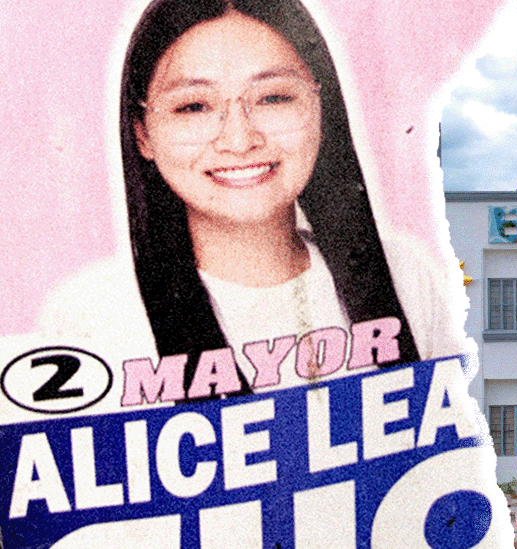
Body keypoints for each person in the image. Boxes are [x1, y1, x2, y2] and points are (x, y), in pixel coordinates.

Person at [41, 0, 469, 392]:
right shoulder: (91, 314)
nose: (240, 139)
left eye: (273, 97)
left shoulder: (405, 274)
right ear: (142, 133)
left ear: (321, 108)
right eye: (194, 106)